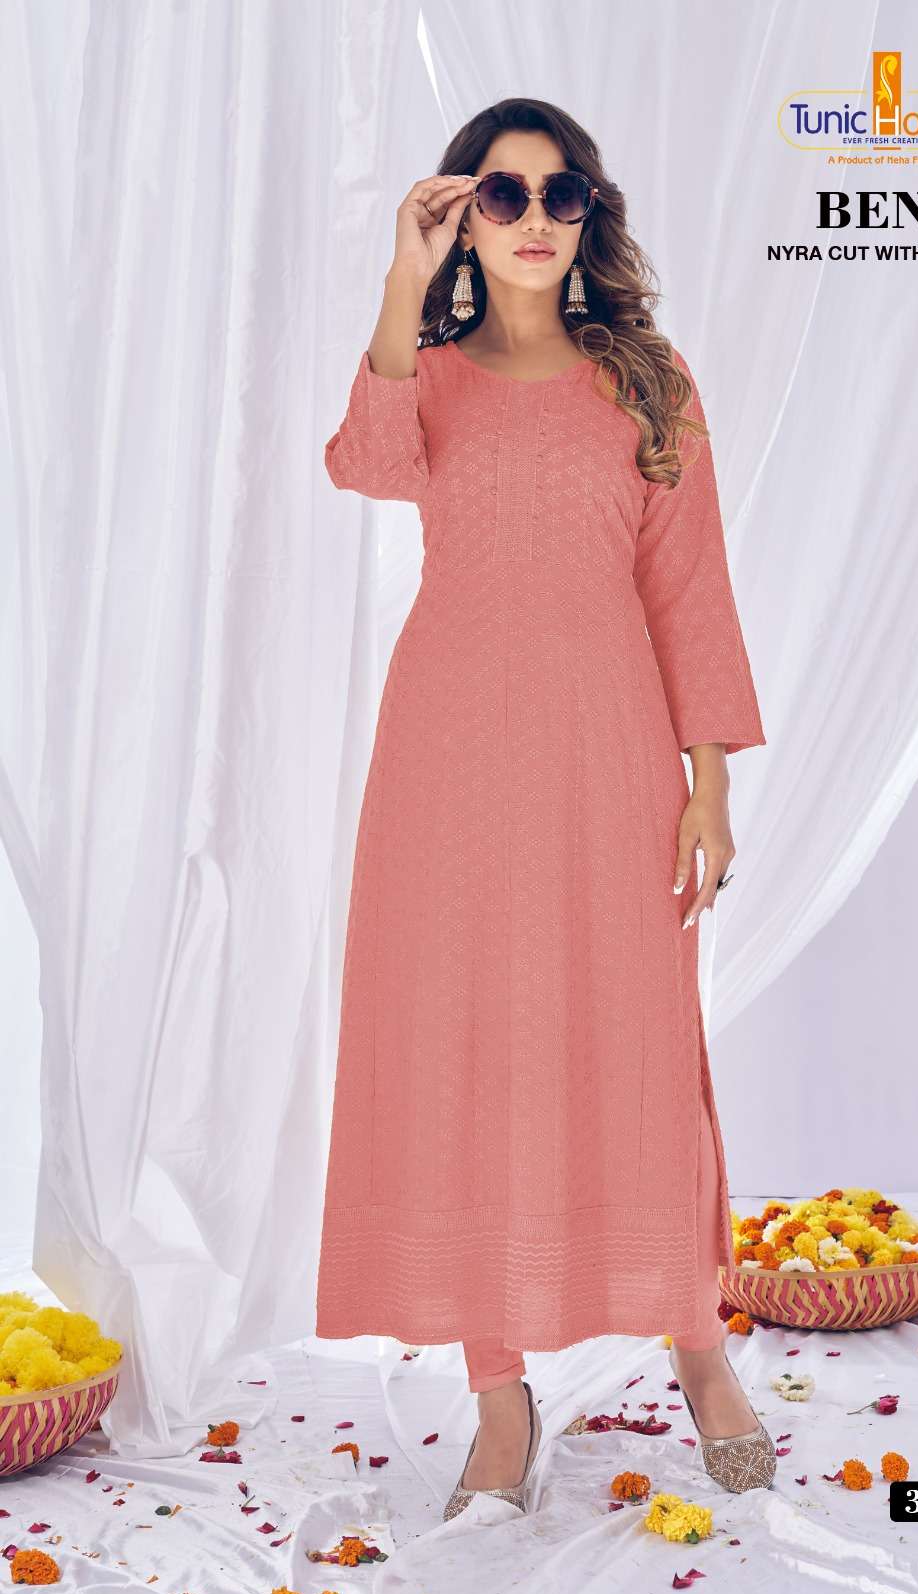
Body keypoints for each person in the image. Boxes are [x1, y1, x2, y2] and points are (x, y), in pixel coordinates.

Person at [315, 97, 775, 1518]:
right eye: (501, 194)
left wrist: (707, 786)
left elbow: (688, 588)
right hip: (445, 764)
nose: (532, 218)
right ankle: (498, 1395)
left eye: (559, 193)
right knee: (465, 1052)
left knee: (636, 1045)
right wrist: (403, 280)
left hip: (607, 752)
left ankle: (696, 1345)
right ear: (463, 216)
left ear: (590, 214)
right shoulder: (429, 373)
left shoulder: (649, 381)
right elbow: (366, 465)